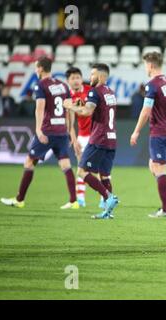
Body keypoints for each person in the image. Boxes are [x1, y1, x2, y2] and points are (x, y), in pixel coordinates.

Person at [0, 57, 78, 210]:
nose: (36, 70)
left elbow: (40, 108)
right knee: (65, 164)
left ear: (41, 68)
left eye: (36, 67)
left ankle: (19, 199)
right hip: (61, 130)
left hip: (47, 131)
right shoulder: (63, 85)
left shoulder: (41, 85)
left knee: (29, 162)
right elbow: (69, 109)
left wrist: (38, 130)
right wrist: (69, 130)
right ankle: (73, 201)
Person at [63, 63, 120, 219]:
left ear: (101, 76)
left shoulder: (95, 91)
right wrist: (78, 104)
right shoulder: (111, 92)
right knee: (105, 175)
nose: (90, 77)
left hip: (98, 138)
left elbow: (87, 111)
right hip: (111, 139)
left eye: (93, 74)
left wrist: (70, 106)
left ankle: (108, 197)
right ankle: (108, 212)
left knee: (82, 172)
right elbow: (93, 106)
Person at [130, 52, 166, 218]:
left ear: (150, 65)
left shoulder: (151, 85)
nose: (145, 68)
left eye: (145, 65)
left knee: (159, 169)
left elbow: (146, 111)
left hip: (159, 132)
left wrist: (136, 131)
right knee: (153, 165)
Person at [65, 67, 92, 207]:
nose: (75, 80)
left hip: (96, 135)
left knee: (99, 169)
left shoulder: (90, 90)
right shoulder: (68, 98)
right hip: (82, 136)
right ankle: (80, 199)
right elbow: (70, 123)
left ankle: (104, 198)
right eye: (72, 78)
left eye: (77, 77)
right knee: (81, 167)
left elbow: (89, 110)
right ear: (68, 81)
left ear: (81, 78)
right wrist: (74, 140)